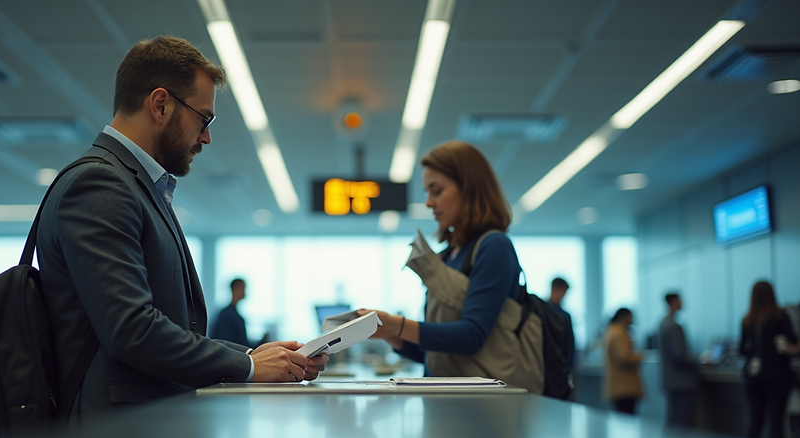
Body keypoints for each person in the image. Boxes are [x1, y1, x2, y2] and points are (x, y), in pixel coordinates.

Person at [35, 36, 327, 417]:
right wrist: (251, 367)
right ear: (160, 104)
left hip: (141, 431)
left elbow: (168, 324)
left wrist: (256, 355)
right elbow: (131, 329)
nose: (206, 137)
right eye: (204, 119)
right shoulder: (100, 185)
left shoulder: (137, 186)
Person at [361, 140, 543, 393]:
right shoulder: (447, 256)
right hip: (446, 398)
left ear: (469, 189)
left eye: (436, 191)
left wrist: (399, 325)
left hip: (486, 403)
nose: (428, 203)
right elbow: (433, 351)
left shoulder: (494, 247)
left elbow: (472, 336)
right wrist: (388, 333)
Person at [739, 281, 800, 438]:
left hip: (753, 377)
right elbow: (793, 341)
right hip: (777, 375)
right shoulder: (780, 315)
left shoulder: (746, 319)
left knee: (755, 422)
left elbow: (742, 350)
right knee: (776, 422)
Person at [659, 293, 699, 427]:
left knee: (674, 420)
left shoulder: (662, 323)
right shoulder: (674, 326)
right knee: (683, 423)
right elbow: (679, 355)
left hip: (671, 381)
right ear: (674, 302)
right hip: (682, 382)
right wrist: (699, 361)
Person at [604, 308, 643, 415]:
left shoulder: (611, 331)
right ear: (623, 317)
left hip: (619, 386)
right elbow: (624, 357)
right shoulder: (618, 333)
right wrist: (639, 357)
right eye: (630, 317)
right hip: (625, 386)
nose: (632, 320)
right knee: (626, 421)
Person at [211, 279, 251, 347]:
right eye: (243, 288)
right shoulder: (226, 315)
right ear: (235, 289)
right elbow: (225, 342)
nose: (245, 292)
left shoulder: (234, 314)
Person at [548, 277, 576, 370]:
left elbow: (570, 344)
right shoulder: (544, 312)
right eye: (563, 292)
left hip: (560, 365)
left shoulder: (564, 315)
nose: (563, 296)